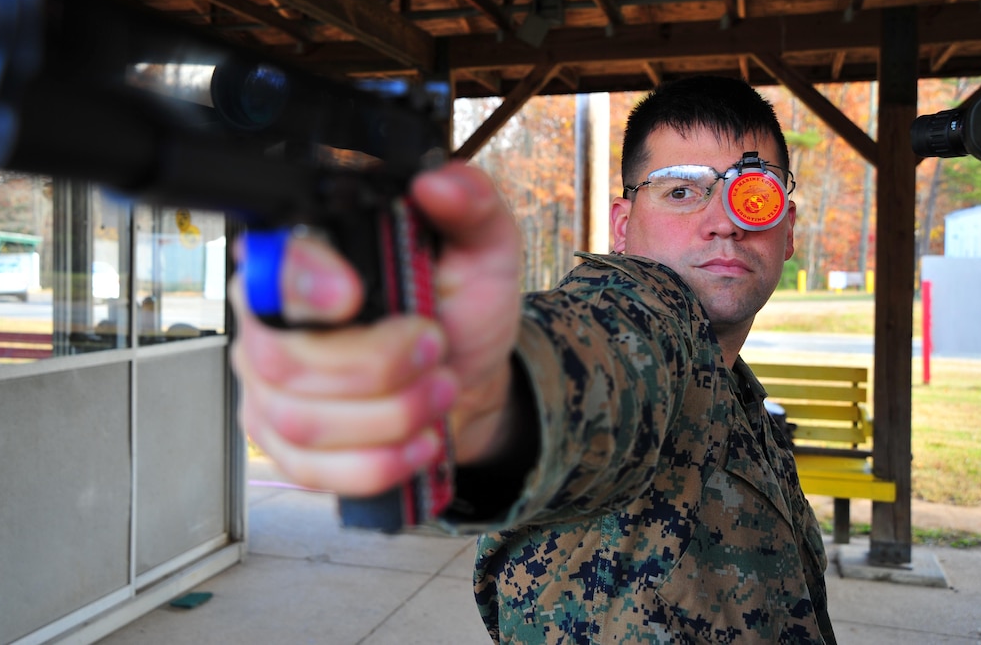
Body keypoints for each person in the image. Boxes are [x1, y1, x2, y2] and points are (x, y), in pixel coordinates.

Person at [231, 76, 836, 643]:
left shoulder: (739, 395)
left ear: (786, 231)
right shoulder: (645, 316)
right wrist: (480, 394)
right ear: (623, 228)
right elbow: (602, 353)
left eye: (753, 195)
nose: (723, 223)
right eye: (680, 191)